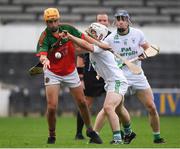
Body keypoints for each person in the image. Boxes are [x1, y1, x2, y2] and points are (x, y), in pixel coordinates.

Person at [36, 7, 109, 144]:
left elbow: (85, 37)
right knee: (52, 107)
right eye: (49, 22)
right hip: (52, 72)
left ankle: (90, 130)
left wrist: (100, 44)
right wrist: (44, 60)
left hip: (70, 71)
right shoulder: (44, 36)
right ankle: (52, 134)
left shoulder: (68, 29)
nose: (52, 24)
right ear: (46, 22)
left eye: (54, 21)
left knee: (82, 103)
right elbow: (43, 54)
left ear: (59, 20)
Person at [94, 10, 165, 144]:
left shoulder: (138, 33)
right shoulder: (109, 38)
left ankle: (157, 137)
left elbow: (149, 49)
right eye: (118, 19)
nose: (121, 21)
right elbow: (102, 55)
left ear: (128, 21)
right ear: (115, 21)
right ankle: (100, 135)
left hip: (137, 75)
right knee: (111, 108)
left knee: (151, 106)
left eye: (123, 19)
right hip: (119, 76)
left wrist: (145, 54)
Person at [63, 22, 136, 144]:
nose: (87, 34)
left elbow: (85, 44)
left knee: (108, 107)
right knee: (119, 109)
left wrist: (70, 36)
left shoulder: (100, 46)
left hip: (117, 81)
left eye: (90, 33)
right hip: (112, 81)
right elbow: (77, 49)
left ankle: (118, 139)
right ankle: (129, 133)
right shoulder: (97, 47)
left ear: (97, 35)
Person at [75, 13, 110, 140]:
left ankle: (120, 134)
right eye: (99, 20)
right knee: (86, 104)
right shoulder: (88, 35)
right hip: (91, 73)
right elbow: (79, 57)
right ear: (95, 22)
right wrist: (81, 79)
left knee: (115, 105)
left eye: (104, 20)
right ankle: (79, 133)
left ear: (108, 22)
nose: (102, 22)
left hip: (108, 74)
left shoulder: (112, 36)